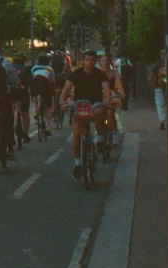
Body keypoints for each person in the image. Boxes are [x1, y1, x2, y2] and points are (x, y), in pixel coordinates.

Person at [60, 49, 112, 179]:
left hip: (95, 104)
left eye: (92, 60)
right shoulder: (75, 74)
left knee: (100, 112)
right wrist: (62, 102)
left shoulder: (100, 74)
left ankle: (99, 138)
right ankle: (78, 163)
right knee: (76, 135)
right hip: (79, 105)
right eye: (87, 60)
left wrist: (107, 100)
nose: (89, 63)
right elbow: (66, 89)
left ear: (95, 62)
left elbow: (106, 89)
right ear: (83, 61)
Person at [98, 50, 126, 148]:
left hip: (112, 96)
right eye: (103, 61)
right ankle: (100, 135)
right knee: (99, 114)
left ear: (110, 62)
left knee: (110, 113)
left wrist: (122, 92)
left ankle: (114, 135)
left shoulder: (114, 72)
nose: (105, 63)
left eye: (107, 60)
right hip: (99, 97)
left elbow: (118, 82)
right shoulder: (97, 73)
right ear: (99, 62)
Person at [30, 53, 56, 136]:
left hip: (35, 83)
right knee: (48, 106)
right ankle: (48, 126)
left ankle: (36, 111)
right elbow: (52, 82)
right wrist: (52, 91)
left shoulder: (34, 68)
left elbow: (32, 78)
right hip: (45, 84)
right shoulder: (49, 69)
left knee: (34, 96)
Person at [12, 54, 33, 144]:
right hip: (23, 93)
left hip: (12, 93)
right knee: (25, 112)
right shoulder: (27, 70)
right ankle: (26, 133)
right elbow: (30, 82)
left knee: (11, 111)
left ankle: (12, 133)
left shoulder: (10, 68)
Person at [149, 49, 168, 130]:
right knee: (167, 104)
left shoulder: (156, 65)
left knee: (159, 104)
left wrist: (153, 85)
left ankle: (162, 120)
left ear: (160, 56)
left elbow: (151, 77)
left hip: (158, 87)